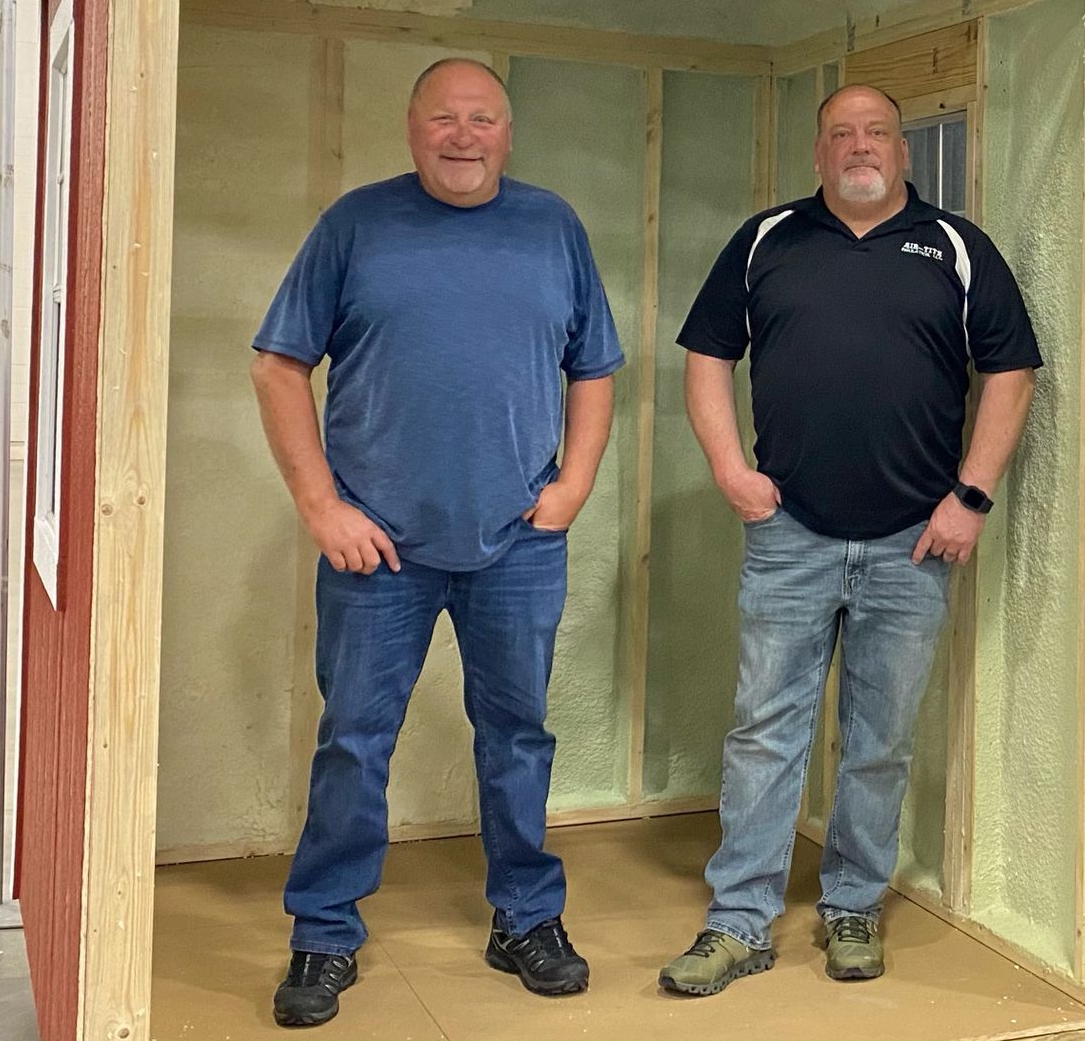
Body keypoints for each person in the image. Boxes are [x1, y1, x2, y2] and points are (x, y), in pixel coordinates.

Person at [251, 58, 621, 1027]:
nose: (464, 135)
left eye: (483, 118)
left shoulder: (554, 228)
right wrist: (322, 505)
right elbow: (278, 363)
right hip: (378, 553)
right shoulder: (355, 225)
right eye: (445, 118)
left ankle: (525, 921)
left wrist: (574, 483)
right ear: (413, 128)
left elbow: (594, 368)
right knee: (354, 743)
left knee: (519, 739)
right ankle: (324, 934)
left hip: (518, 544)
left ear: (508, 131)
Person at [660, 84, 1040, 995]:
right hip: (788, 533)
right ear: (820, 152)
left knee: (878, 739)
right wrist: (726, 468)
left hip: (915, 542)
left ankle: (852, 909)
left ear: (901, 152)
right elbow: (707, 356)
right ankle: (740, 922)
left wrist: (972, 497)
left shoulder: (955, 248)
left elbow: (1012, 369)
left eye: (875, 133)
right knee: (764, 732)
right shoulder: (765, 241)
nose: (859, 147)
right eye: (841, 135)